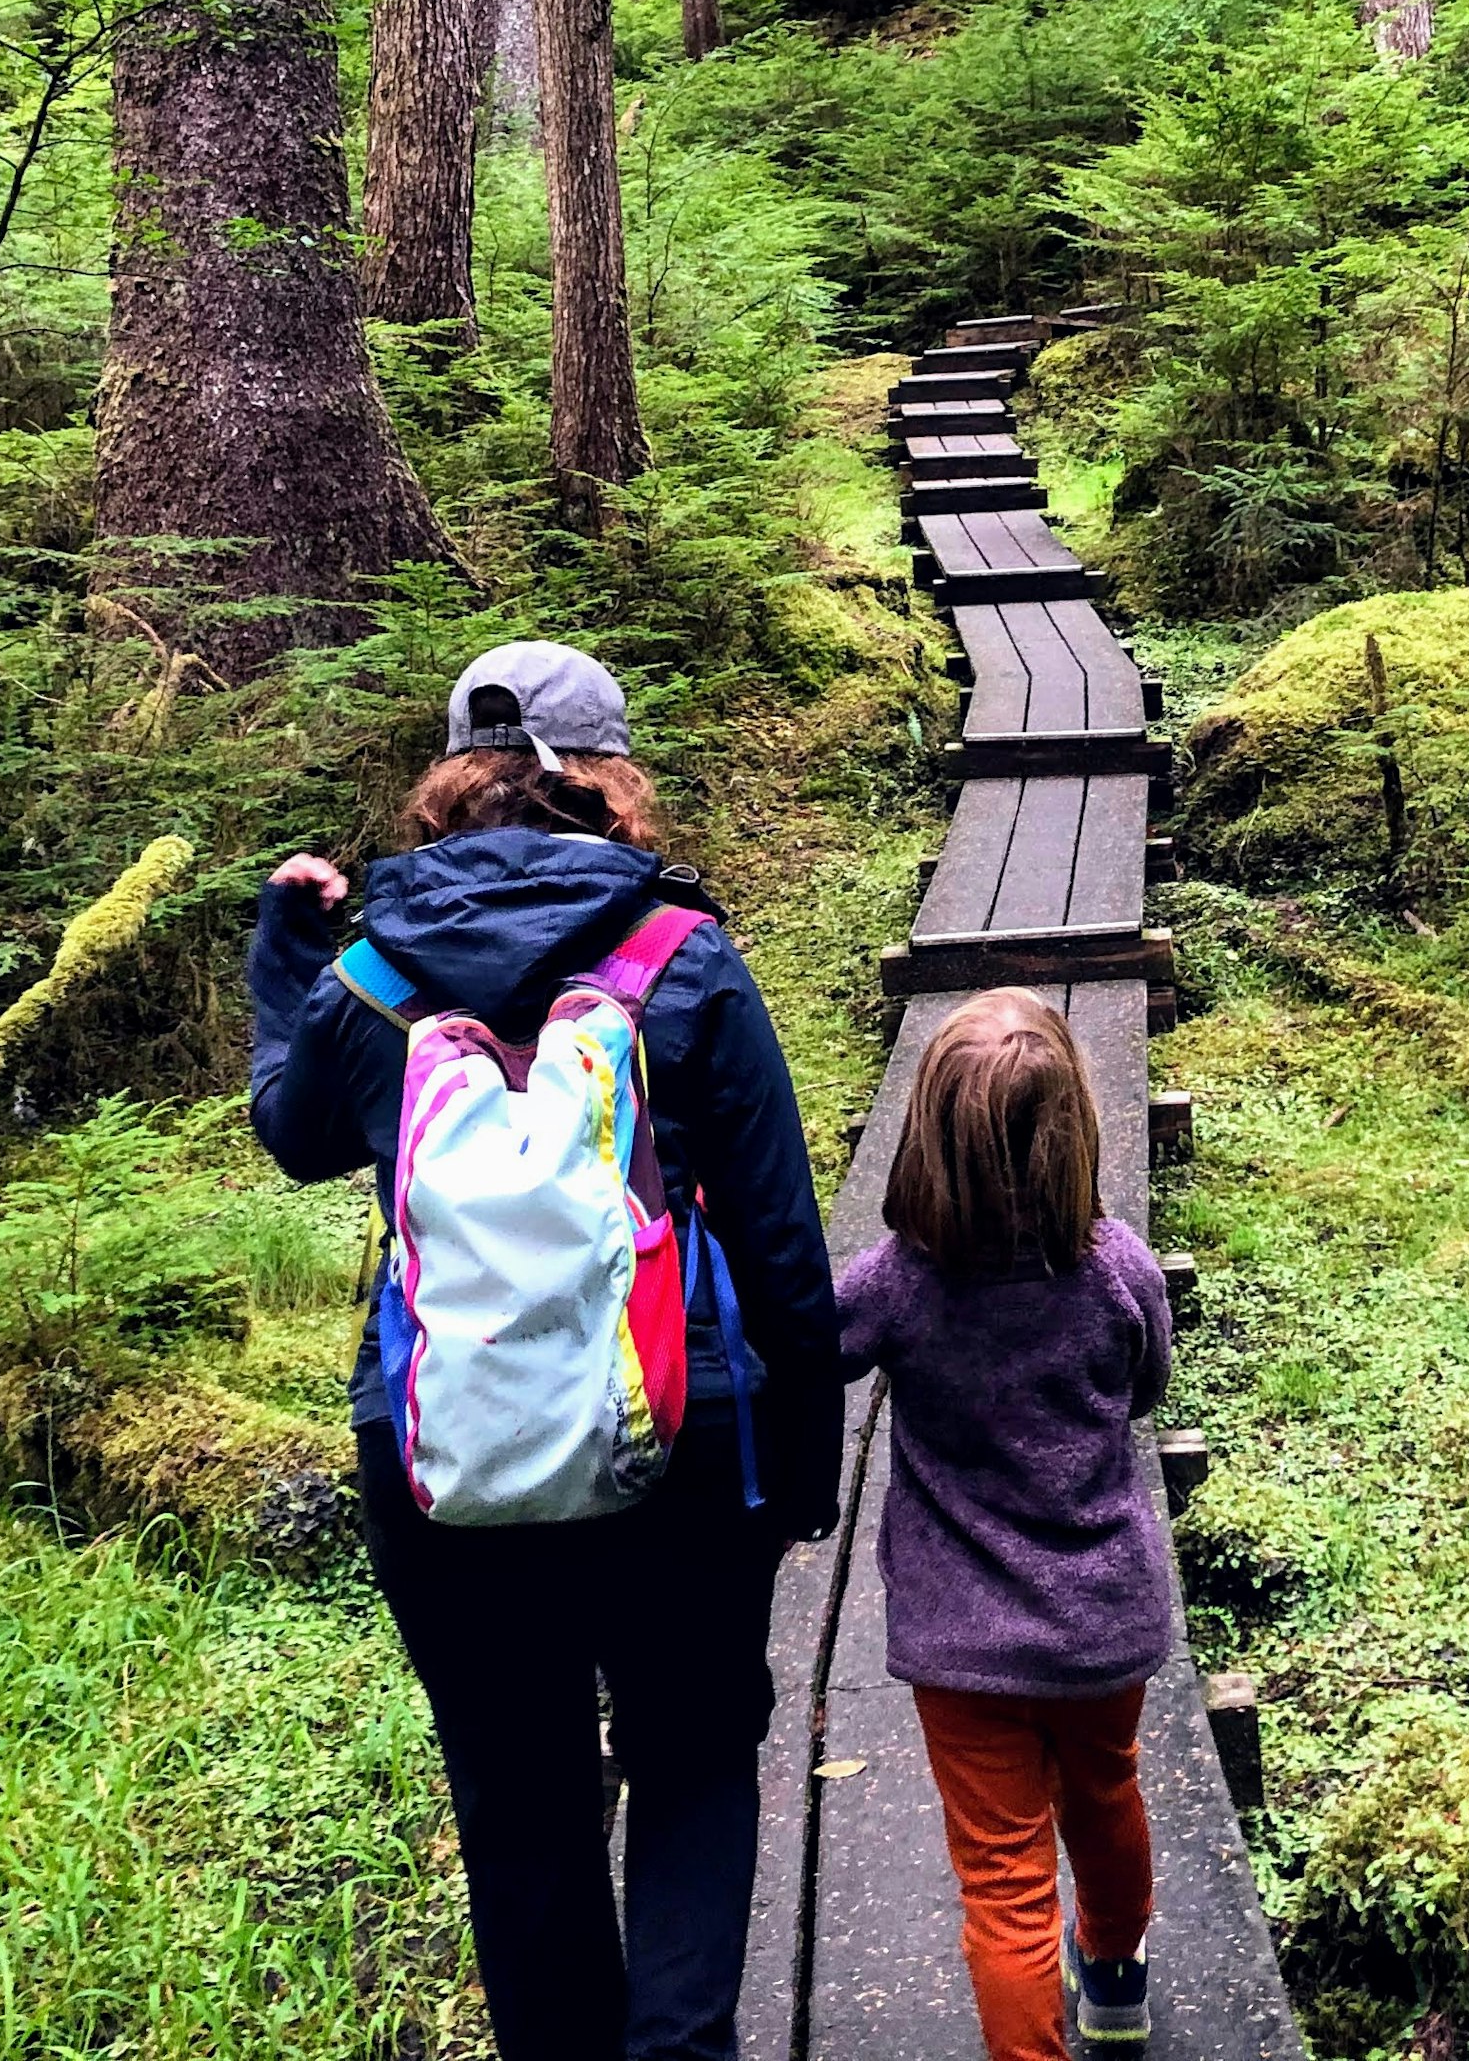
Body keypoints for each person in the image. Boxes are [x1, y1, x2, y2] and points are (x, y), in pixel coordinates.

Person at [248, 640, 843, 2061]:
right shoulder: (681, 957)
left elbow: (293, 1134)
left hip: (443, 1460)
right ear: (610, 782)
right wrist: (802, 1471)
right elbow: (781, 1247)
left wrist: (284, 966)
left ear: (456, 785)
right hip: (681, 1443)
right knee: (695, 1768)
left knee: (521, 1812)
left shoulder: (371, 977)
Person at [838, 989, 1178, 2056]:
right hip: (1100, 1627)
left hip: (962, 1641)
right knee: (1106, 1793)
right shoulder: (1119, 1266)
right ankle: (1116, 1976)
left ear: (926, 1137)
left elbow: (805, 1348)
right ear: (1076, 1126)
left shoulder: (899, 1282)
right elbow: (1147, 1387)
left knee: (1004, 1880)